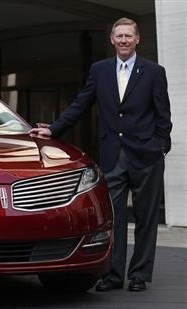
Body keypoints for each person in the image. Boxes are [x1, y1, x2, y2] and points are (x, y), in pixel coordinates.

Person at [29, 17, 172, 292]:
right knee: (114, 218)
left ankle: (139, 275)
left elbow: (163, 116)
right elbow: (81, 103)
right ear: (112, 39)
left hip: (146, 157)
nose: (123, 40)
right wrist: (55, 129)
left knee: (146, 218)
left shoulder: (154, 72)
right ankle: (114, 275)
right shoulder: (100, 69)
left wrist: (160, 147)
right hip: (113, 154)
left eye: (128, 36)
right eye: (119, 36)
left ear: (137, 39)